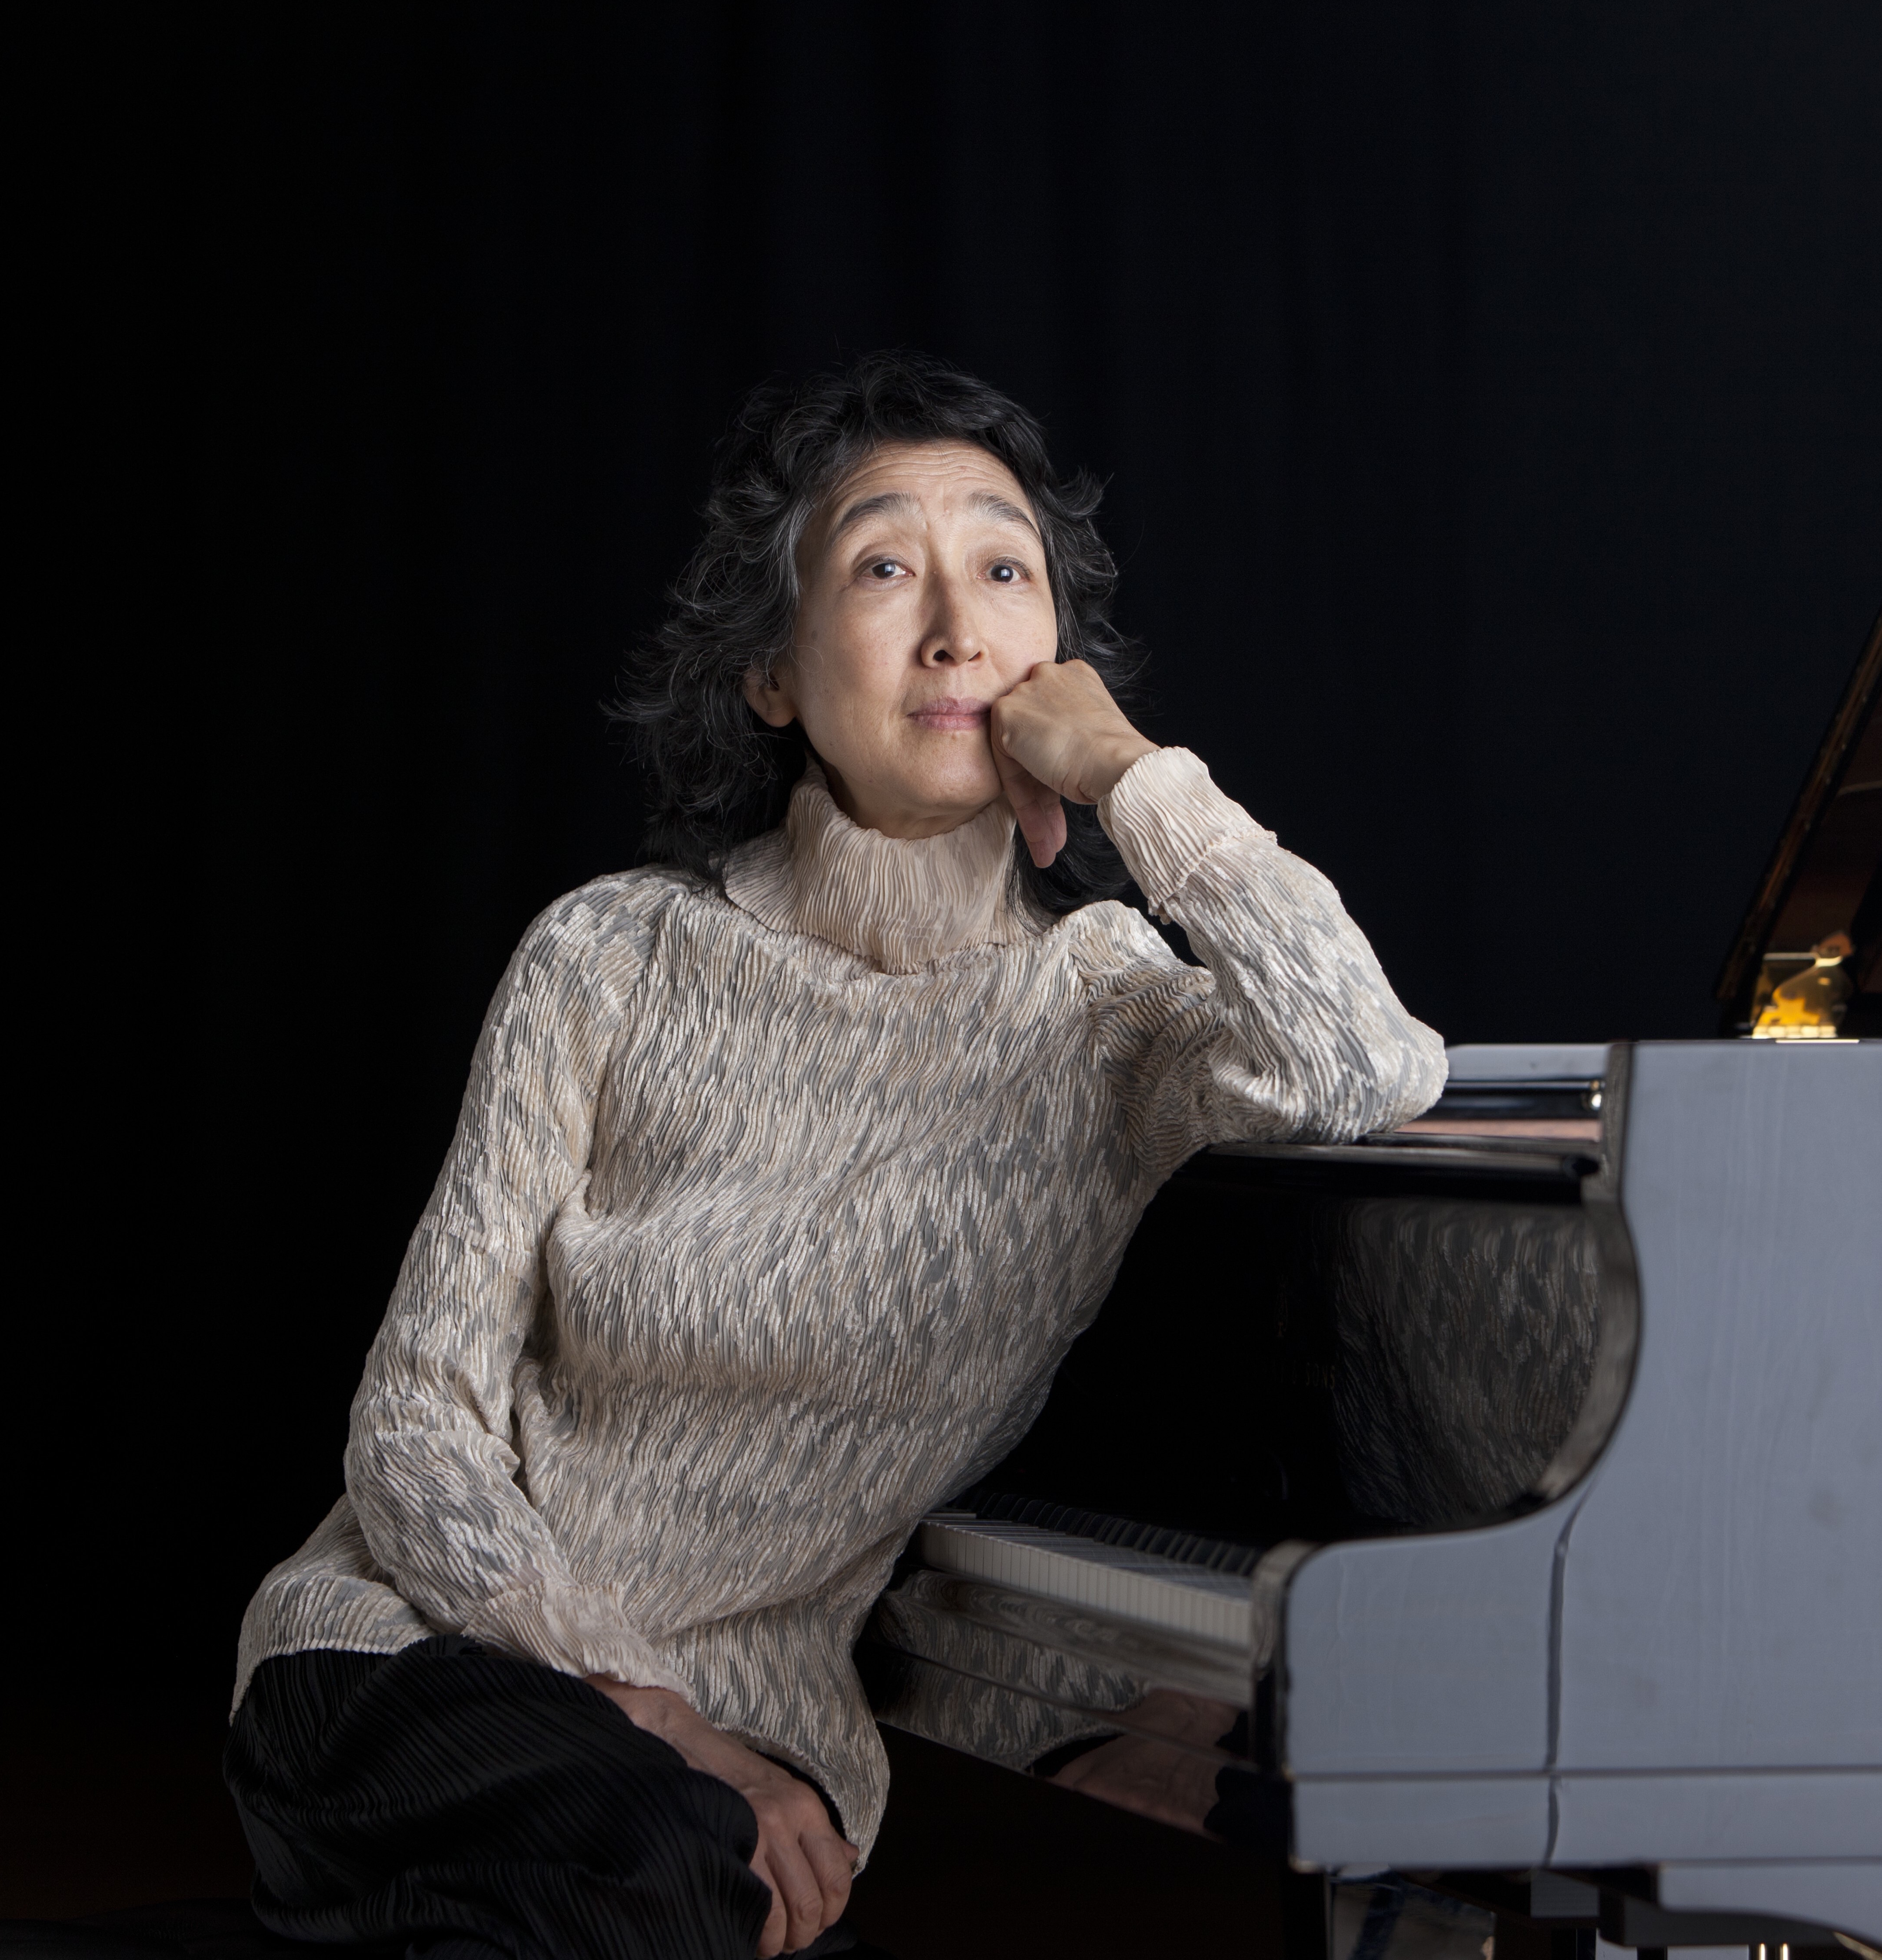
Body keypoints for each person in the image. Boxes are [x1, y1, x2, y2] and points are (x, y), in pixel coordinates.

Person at [222, 351, 1444, 1960]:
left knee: (656, 1878)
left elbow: (1365, 1060)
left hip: (759, 1741)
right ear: (772, 675)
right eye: (881, 570)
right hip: (413, 1653)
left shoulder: (1105, 1013)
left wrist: (1133, 777)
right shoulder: (609, 955)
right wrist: (644, 1710)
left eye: (1002, 572)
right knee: (641, 1855)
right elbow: (413, 1422)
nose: (955, 631)